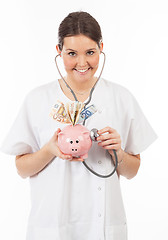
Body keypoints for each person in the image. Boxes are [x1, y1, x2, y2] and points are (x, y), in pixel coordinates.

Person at [0, 11, 157, 240]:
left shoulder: (121, 98)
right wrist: (49, 150)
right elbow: (21, 169)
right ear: (58, 51)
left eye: (90, 52)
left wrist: (117, 152)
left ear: (101, 48)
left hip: (103, 228)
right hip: (52, 227)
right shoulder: (37, 99)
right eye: (71, 53)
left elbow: (132, 171)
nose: (82, 63)